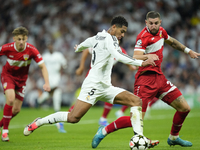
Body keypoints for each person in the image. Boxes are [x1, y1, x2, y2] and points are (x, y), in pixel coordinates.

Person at [23, 16, 157, 149]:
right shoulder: (109, 39)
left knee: (136, 101)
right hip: (93, 85)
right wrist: (142, 63)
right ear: (114, 27)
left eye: (124, 32)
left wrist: (78, 48)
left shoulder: (99, 36)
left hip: (105, 86)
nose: (122, 35)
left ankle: (139, 137)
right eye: (122, 31)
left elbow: (87, 43)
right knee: (73, 118)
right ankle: (38, 122)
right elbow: (119, 55)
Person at [92, 11, 200, 148]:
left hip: (159, 78)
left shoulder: (161, 32)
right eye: (151, 23)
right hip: (145, 81)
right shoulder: (142, 37)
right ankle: (104, 130)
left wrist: (187, 50)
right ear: (146, 23)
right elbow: (136, 56)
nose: (153, 26)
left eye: (156, 23)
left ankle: (174, 137)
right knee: (135, 120)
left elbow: (172, 42)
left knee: (184, 108)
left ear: (160, 23)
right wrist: (148, 56)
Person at [0, 26, 51, 142]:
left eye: (23, 39)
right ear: (14, 39)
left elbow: (43, 66)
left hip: (22, 80)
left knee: (16, 110)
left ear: (26, 38)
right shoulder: (7, 48)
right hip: (8, 76)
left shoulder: (32, 50)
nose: (21, 42)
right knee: (11, 100)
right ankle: (5, 132)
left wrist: (47, 82)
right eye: (19, 39)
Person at [37, 43, 67, 133]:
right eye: (49, 46)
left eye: (51, 45)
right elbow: (40, 66)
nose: (50, 47)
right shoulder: (45, 56)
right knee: (56, 91)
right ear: (47, 47)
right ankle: (56, 113)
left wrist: (61, 73)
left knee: (56, 92)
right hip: (48, 78)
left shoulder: (59, 55)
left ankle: (40, 101)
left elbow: (64, 65)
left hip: (56, 77)